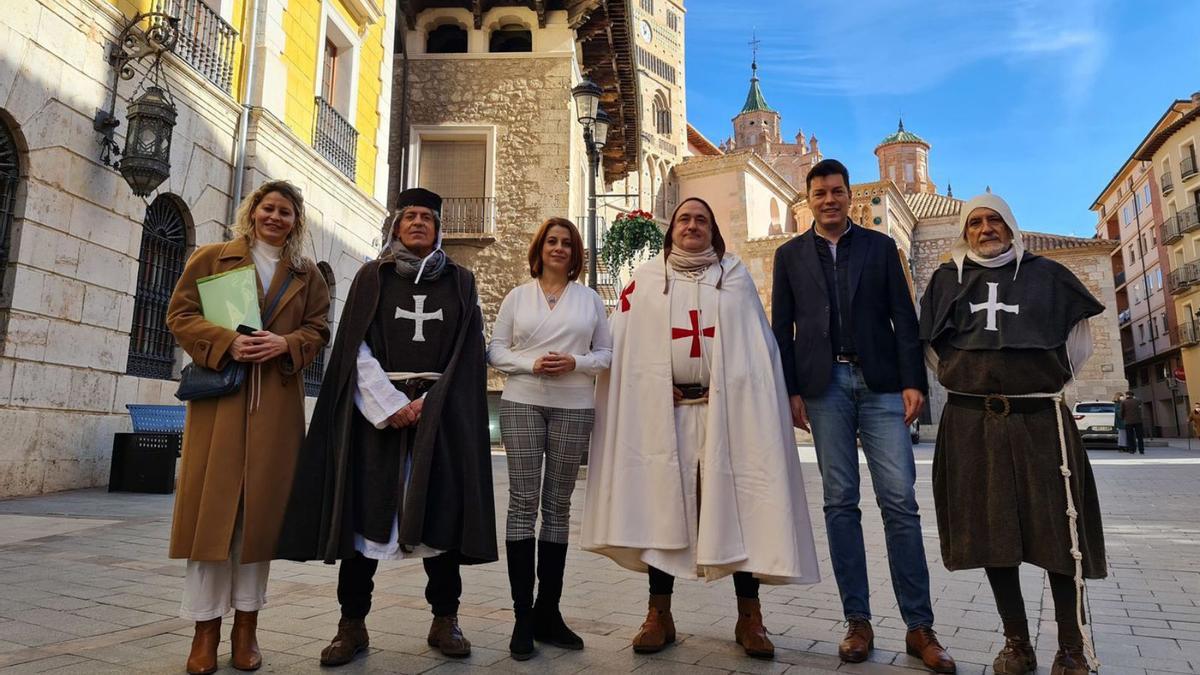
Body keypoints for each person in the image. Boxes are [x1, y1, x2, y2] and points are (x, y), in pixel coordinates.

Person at [582, 197, 820, 661]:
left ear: (714, 230)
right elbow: (624, 348)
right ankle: (659, 614)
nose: (692, 226)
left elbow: (757, 349)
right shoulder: (646, 281)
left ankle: (750, 616)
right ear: (671, 230)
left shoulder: (734, 279)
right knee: (662, 507)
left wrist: (733, 389)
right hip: (664, 413)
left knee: (740, 507)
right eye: (684, 219)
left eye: (702, 220)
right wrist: (652, 384)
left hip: (728, 413)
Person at [275, 187, 496, 666]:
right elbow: (354, 345)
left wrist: (431, 405)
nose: (418, 223)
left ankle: (445, 619)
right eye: (410, 216)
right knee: (364, 517)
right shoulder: (371, 277)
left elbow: (466, 351)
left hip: (441, 416)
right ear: (396, 225)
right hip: (377, 418)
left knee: (440, 518)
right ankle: (351, 625)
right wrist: (389, 403)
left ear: (439, 229)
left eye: (427, 218)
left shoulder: (460, 281)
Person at [771, 159, 954, 672]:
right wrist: (791, 392)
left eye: (836, 192)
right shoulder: (788, 256)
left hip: (881, 387)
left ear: (850, 196)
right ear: (808, 200)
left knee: (900, 503)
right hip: (822, 387)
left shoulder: (879, 248)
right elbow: (782, 327)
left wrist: (913, 381)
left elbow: (904, 316)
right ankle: (858, 622)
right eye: (819, 193)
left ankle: (920, 627)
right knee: (839, 504)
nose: (829, 200)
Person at [919, 193, 1107, 675]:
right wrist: (976, 383)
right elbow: (936, 354)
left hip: (1039, 418)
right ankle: (1017, 643)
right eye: (976, 222)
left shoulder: (1046, 276)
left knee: (1059, 532)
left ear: (1011, 225)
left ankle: (1071, 647)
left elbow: (1077, 346)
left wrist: (1032, 383)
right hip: (972, 422)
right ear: (965, 230)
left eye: (995, 220)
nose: (986, 229)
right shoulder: (945, 282)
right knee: (992, 532)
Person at [166, 180, 331, 675]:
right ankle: (203, 632)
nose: (275, 218)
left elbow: (320, 329)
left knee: (257, 523)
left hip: (276, 407)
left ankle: (246, 630)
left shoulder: (308, 276)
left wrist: (286, 346)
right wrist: (225, 343)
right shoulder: (212, 258)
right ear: (252, 212)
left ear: (296, 222)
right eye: (269, 208)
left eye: (286, 212)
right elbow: (180, 314)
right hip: (221, 404)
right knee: (211, 521)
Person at [487, 217, 612, 660]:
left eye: (566, 243)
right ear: (539, 249)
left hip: (575, 404)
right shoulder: (517, 297)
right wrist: (532, 364)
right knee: (523, 502)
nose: (558, 248)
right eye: (551, 241)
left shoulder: (590, 300)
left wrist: (574, 363)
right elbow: (495, 349)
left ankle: (549, 612)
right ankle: (523, 616)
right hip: (522, 400)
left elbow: (606, 353)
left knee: (557, 506)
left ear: (575, 254)